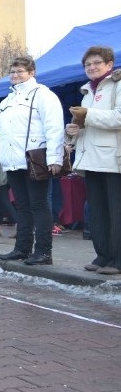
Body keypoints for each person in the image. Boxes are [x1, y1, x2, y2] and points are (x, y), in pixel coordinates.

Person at [0, 56, 65, 266]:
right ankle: (22, 248)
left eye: (20, 71)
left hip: (35, 158)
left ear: (31, 72)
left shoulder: (43, 95)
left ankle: (43, 251)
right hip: (13, 160)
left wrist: (54, 157)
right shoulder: (7, 100)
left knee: (39, 206)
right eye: (13, 71)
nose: (15, 75)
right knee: (22, 205)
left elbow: (54, 127)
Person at [66, 46, 121, 275]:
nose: (92, 67)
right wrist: (73, 130)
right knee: (97, 210)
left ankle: (118, 260)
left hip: (113, 158)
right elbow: (88, 124)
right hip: (91, 158)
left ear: (109, 64)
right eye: (88, 64)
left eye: (97, 62)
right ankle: (102, 255)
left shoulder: (117, 85)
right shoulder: (87, 91)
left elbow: (118, 118)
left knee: (115, 211)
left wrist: (87, 116)